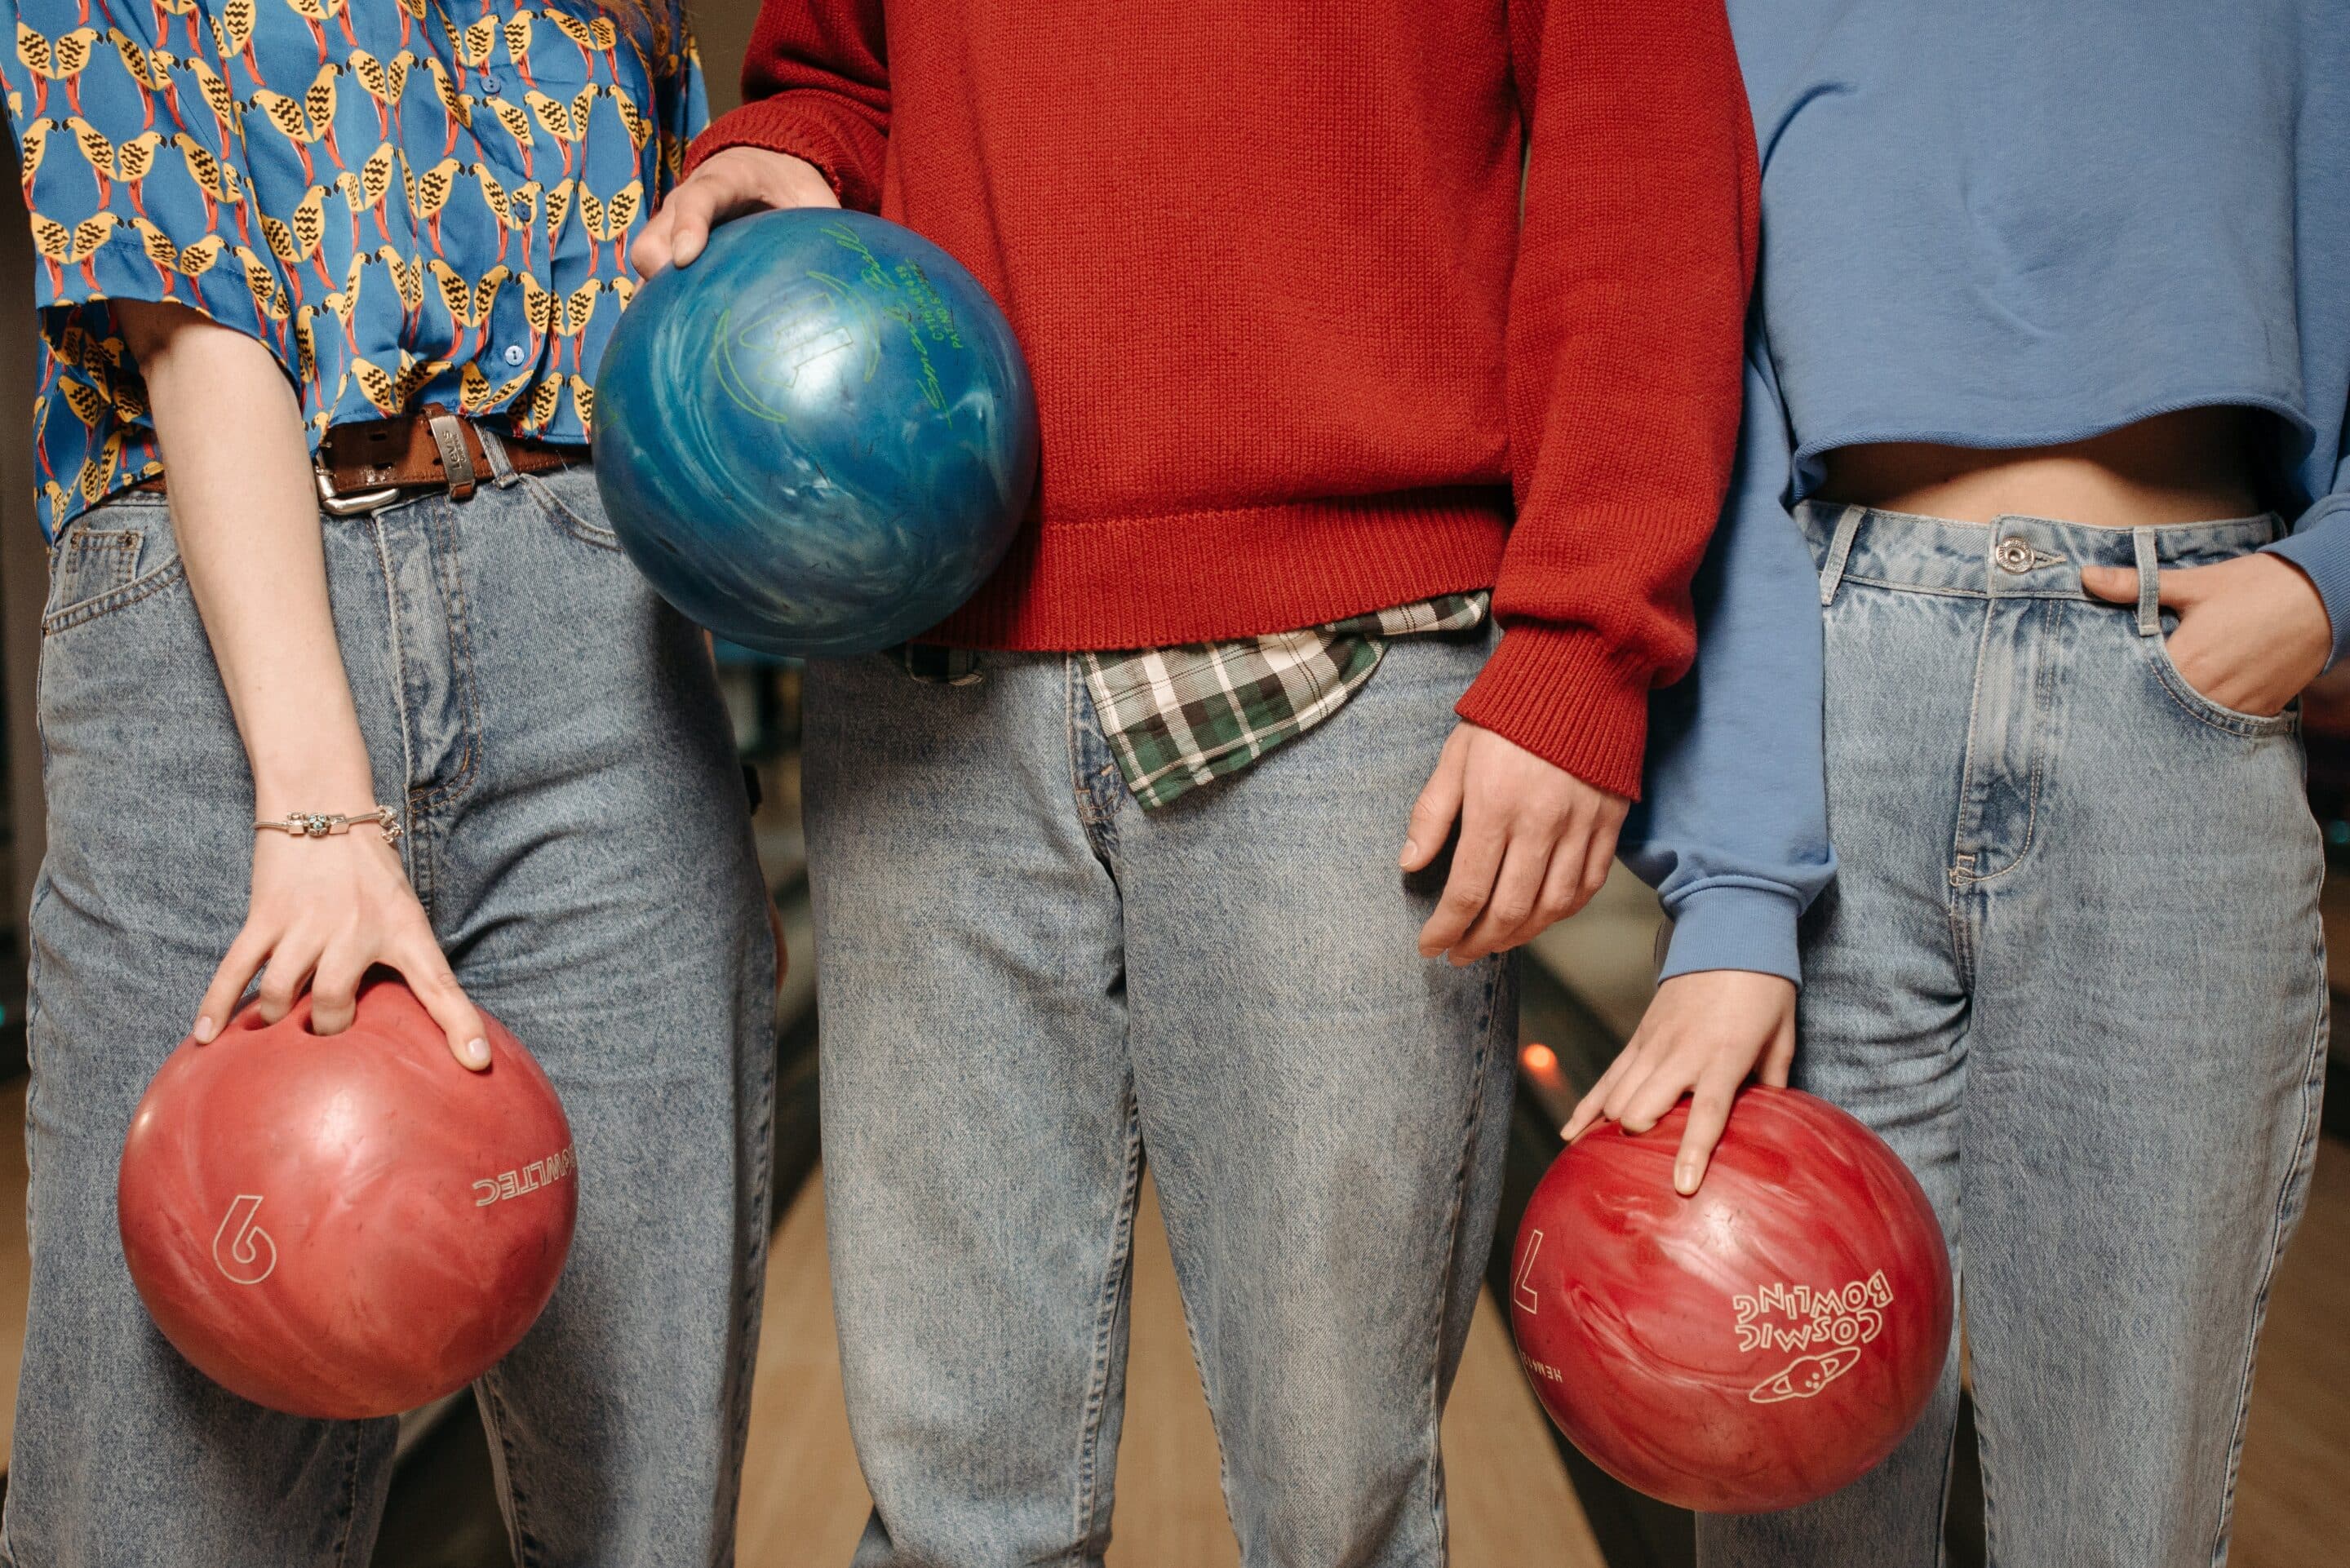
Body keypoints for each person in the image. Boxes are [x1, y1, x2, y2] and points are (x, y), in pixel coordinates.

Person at [630, 2, 1755, 1561]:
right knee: (955, 1511)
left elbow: (1636, 150)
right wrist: (784, 150)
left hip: (1346, 665)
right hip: (928, 670)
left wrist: (1585, 637)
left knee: (1334, 1504)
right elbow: (842, 71)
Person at [0, 2, 774, 1562]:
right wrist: (318, 804)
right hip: (209, 660)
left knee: (643, 1509)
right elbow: (184, 282)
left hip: (591, 613)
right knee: (154, 1520)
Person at [1576, 5, 2345, 1562]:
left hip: (2176, 706)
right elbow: (1697, 401)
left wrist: (2327, 584)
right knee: (1799, 1508)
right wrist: (1734, 889)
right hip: (1834, 691)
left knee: (2117, 1515)